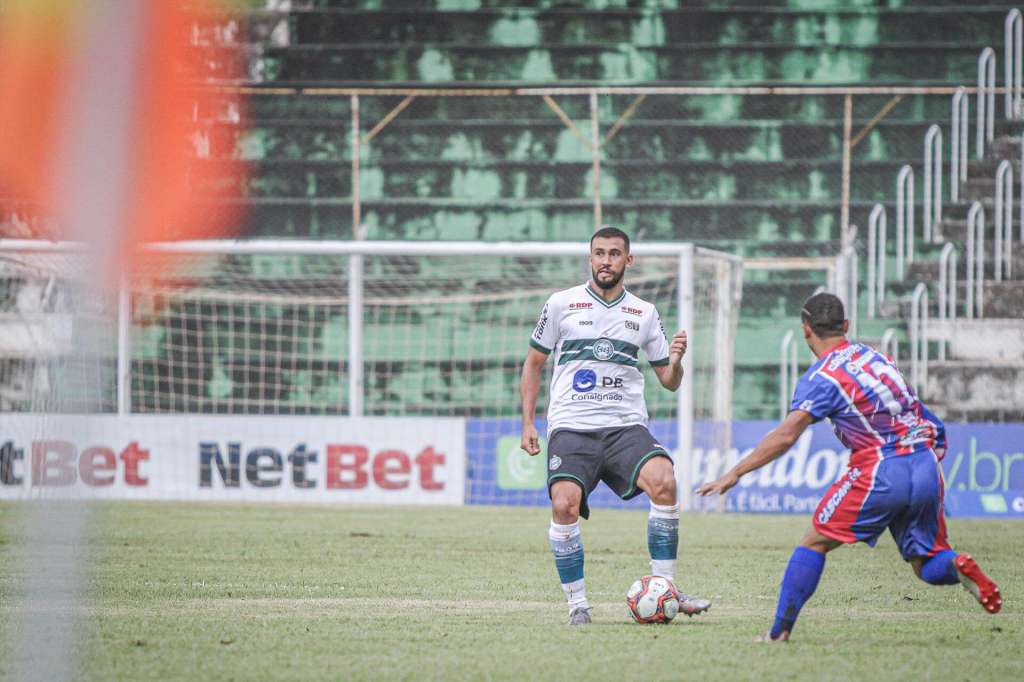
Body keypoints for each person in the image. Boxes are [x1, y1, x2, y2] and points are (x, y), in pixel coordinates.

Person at [697, 292, 1002, 641]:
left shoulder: (823, 376)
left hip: (882, 468)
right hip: (925, 462)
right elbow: (918, 412)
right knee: (925, 562)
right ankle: (958, 566)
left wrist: (735, 472)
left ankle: (778, 634)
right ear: (846, 326)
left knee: (813, 542)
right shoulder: (878, 358)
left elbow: (786, 435)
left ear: (805, 329)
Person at [520, 225, 711, 625]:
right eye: (600, 253)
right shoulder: (560, 304)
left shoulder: (643, 312)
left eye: (614, 254)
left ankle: (666, 590)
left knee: (665, 481)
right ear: (590, 258)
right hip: (572, 427)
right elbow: (533, 363)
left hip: (625, 426)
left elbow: (669, 382)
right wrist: (528, 423)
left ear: (628, 260)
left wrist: (676, 363)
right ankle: (578, 605)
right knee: (563, 504)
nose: (606, 261)